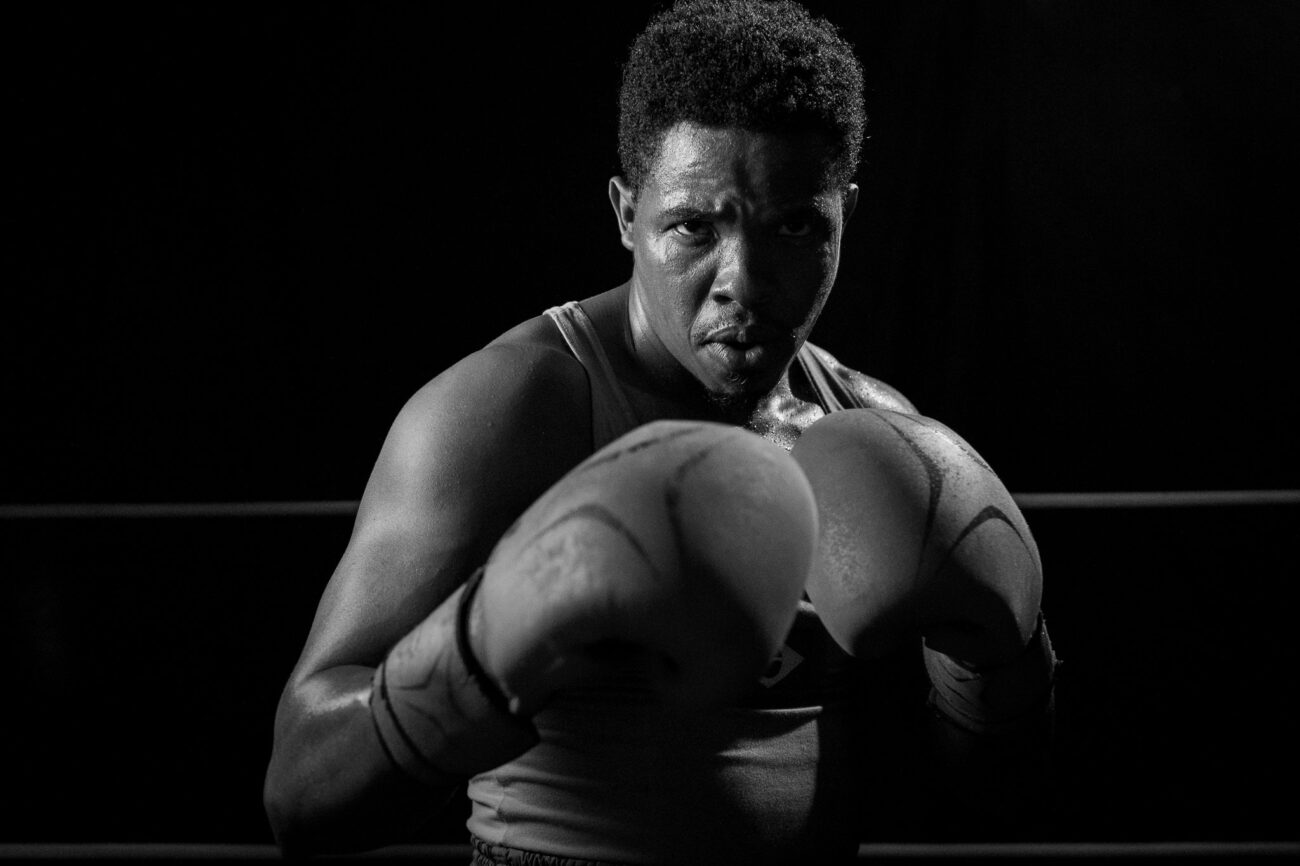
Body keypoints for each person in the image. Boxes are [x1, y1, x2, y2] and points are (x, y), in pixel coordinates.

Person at [263, 1, 1058, 862]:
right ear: (625, 214)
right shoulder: (511, 410)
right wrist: (486, 642)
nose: (743, 281)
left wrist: (998, 665)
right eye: (693, 227)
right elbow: (301, 795)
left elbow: (998, 798)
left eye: (795, 225)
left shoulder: (874, 433)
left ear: (845, 219)